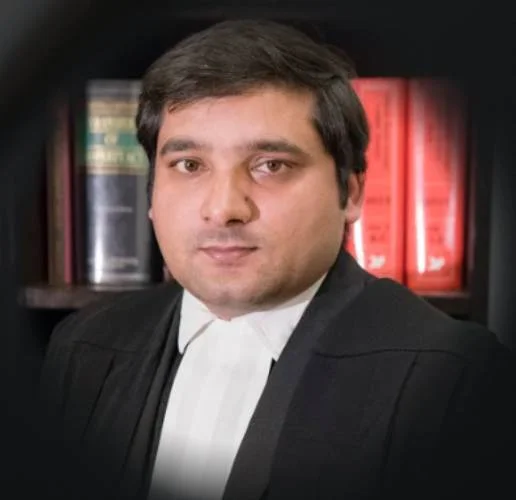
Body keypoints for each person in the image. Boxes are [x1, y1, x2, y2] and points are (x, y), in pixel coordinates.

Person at [38, 18, 516, 500]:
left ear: (350, 193)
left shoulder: (454, 377)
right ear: (151, 193)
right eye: (189, 165)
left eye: (271, 166)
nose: (224, 208)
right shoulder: (83, 345)